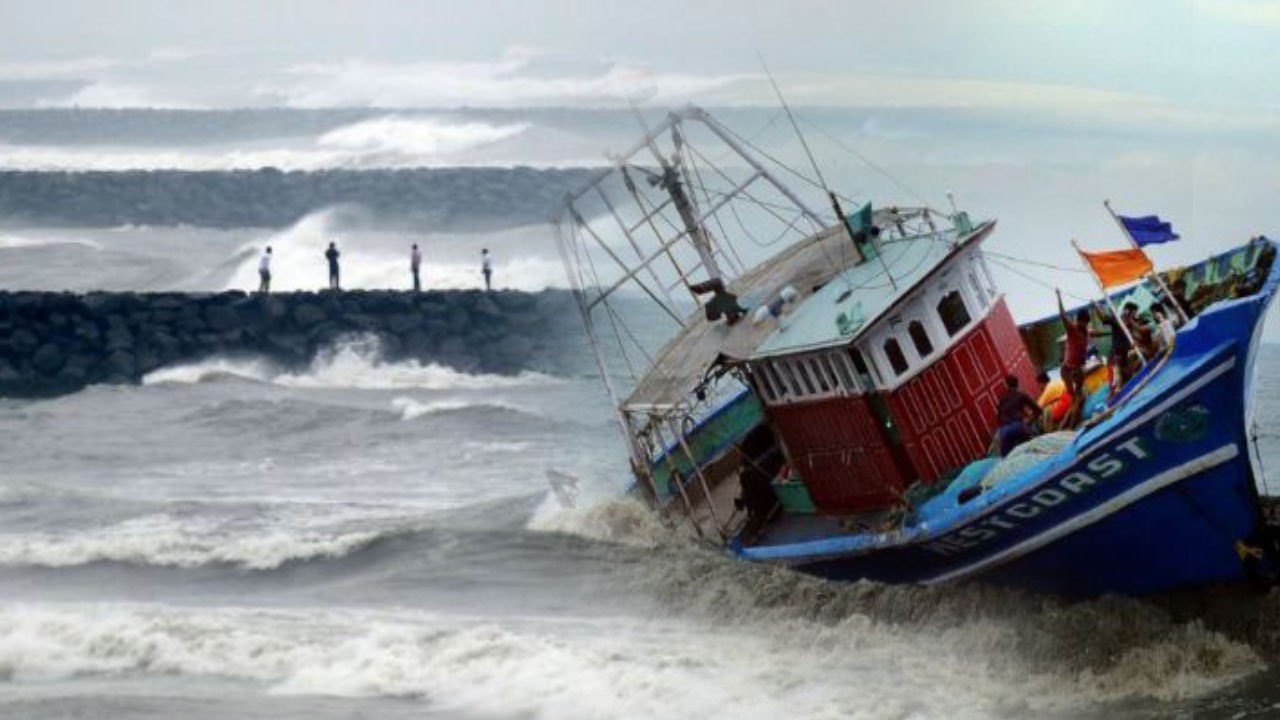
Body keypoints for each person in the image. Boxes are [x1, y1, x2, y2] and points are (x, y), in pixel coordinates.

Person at [995, 375, 1041, 457]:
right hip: (1018, 426)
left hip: (1004, 430)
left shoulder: (1001, 400)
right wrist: (1028, 422)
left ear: (1006, 385)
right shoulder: (1021, 395)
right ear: (1017, 384)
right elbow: (1038, 410)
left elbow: (998, 418)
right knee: (1031, 451)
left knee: (1007, 459)